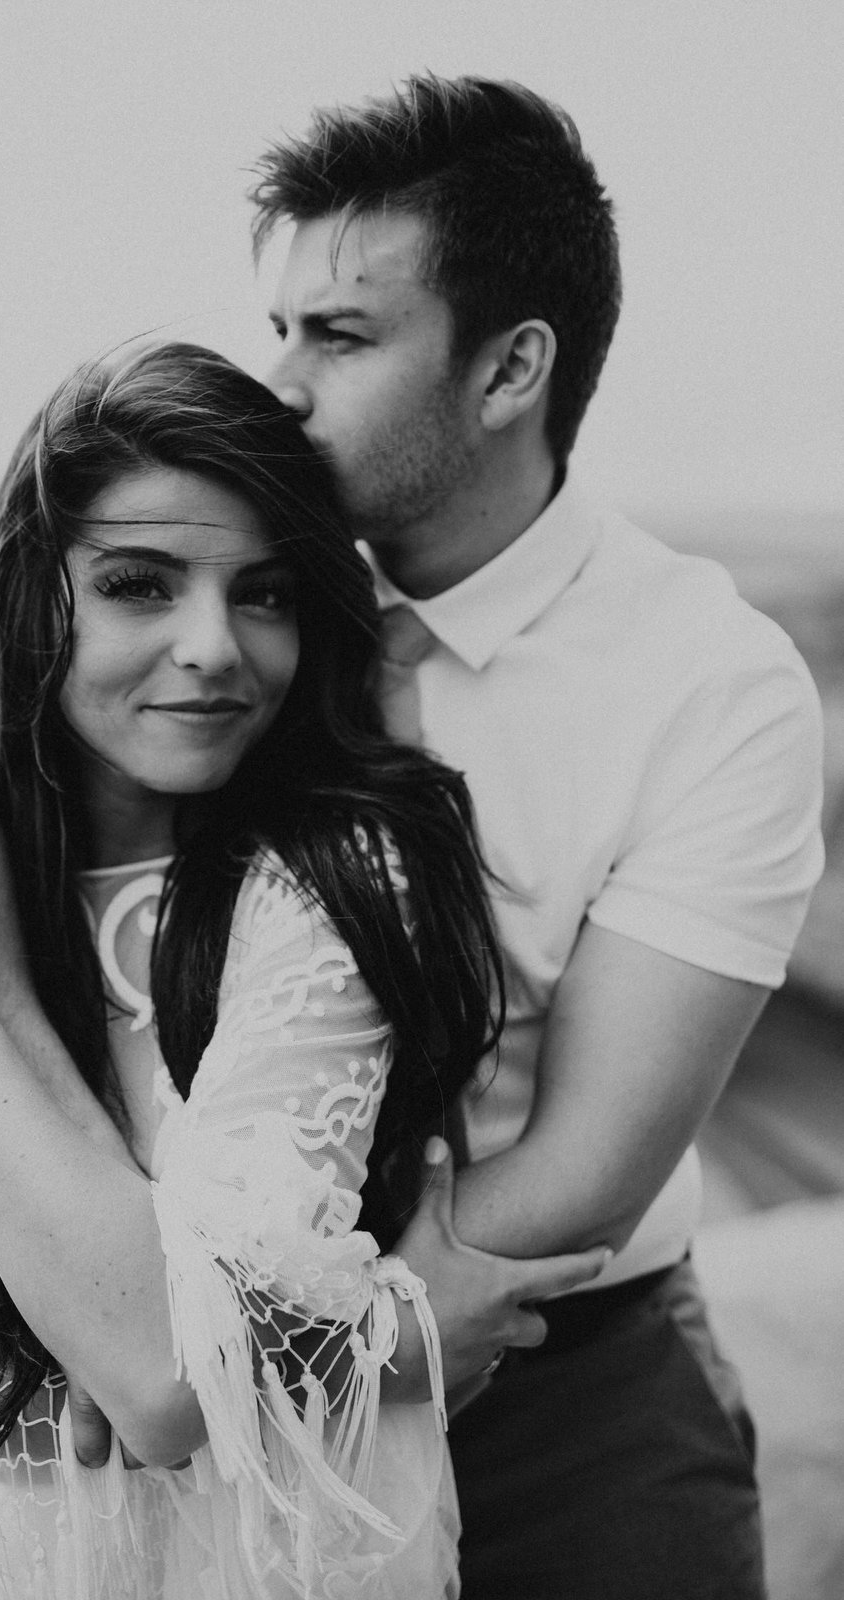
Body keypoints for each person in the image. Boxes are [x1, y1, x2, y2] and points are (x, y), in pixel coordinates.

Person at [0, 341, 606, 1600]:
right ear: (36, 600)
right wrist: (363, 1342)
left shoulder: (337, 875)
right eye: (136, 583)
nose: (215, 647)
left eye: (267, 592)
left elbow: (160, 1379)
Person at [250, 73, 825, 1598]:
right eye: (278, 332)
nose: (281, 388)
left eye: (342, 338)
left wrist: (346, 1326)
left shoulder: (710, 682)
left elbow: (591, 1159)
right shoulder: (219, 607)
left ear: (509, 370)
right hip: (225, 1369)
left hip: (572, 1400)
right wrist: (258, 1348)